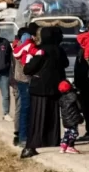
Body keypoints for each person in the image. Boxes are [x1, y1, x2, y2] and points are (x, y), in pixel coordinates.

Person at [21, 27, 66, 159]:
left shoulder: (41, 50)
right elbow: (65, 63)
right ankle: (51, 140)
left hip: (40, 88)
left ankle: (32, 145)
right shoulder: (59, 50)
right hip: (55, 87)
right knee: (52, 116)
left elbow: (28, 69)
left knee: (37, 117)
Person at [13, 23, 40, 148]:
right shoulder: (25, 47)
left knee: (23, 108)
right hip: (24, 80)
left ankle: (21, 135)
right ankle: (23, 137)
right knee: (25, 108)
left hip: (20, 80)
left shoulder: (19, 46)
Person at [75, 19, 89, 141]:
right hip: (85, 81)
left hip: (85, 82)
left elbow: (84, 65)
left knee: (88, 107)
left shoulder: (86, 46)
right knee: (88, 107)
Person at [58, 80, 84, 154]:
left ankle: (63, 145)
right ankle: (70, 146)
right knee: (74, 133)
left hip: (65, 119)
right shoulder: (74, 96)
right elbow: (79, 107)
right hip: (73, 118)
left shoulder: (61, 99)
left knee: (67, 132)